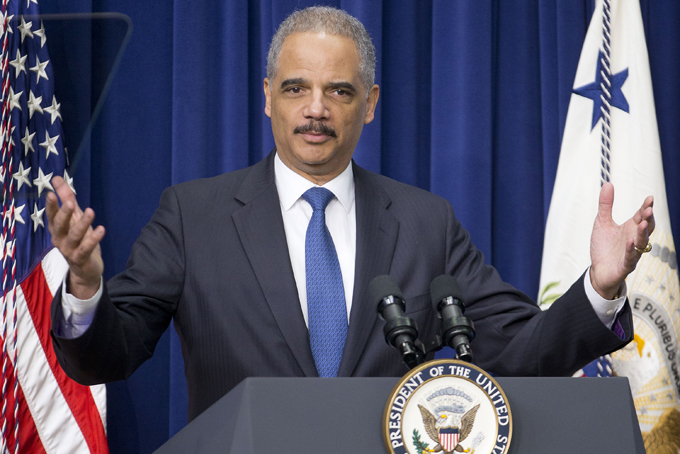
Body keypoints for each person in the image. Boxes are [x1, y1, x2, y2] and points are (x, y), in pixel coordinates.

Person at [47, 6, 654, 422]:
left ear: (369, 104)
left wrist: (599, 289)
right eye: (295, 88)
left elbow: (520, 352)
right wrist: (84, 285)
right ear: (266, 98)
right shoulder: (193, 216)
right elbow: (107, 355)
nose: (316, 109)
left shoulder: (425, 223)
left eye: (339, 91)